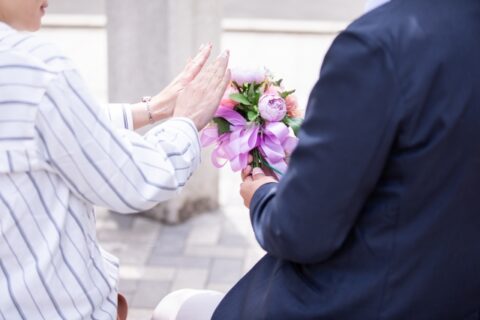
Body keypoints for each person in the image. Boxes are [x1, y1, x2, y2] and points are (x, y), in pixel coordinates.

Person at [157, 0, 480, 319]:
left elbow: (299, 233)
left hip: (370, 299)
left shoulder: (377, 46)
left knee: (174, 307)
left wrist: (263, 196)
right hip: (454, 295)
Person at [0, 0, 230, 319]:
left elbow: (58, 127)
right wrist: (186, 122)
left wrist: (154, 108)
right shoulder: (34, 66)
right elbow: (136, 180)